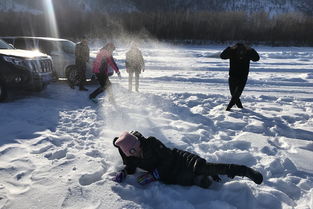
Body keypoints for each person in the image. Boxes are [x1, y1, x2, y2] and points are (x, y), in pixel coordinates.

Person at [112, 131, 263, 188]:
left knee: (205, 168)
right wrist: (124, 172)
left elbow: (169, 158)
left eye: (137, 144)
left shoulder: (150, 142)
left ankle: (244, 170)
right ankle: (206, 177)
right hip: (172, 175)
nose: (137, 148)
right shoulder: (130, 156)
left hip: (182, 161)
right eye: (132, 150)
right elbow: (131, 166)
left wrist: (155, 174)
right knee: (202, 183)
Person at [220, 43, 260, 111]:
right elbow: (222, 56)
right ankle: (240, 108)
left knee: (236, 94)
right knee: (234, 95)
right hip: (233, 76)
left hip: (242, 77)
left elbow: (256, 58)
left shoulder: (248, 52)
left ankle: (228, 108)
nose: (240, 50)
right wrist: (230, 48)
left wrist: (251, 49)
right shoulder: (232, 52)